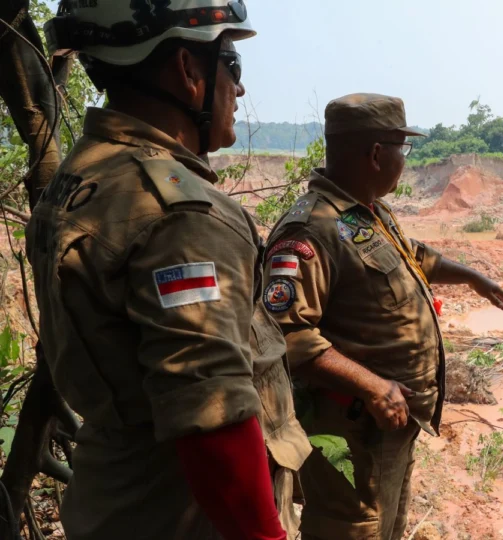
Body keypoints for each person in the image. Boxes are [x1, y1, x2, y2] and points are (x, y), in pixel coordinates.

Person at [29, 1, 311, 539]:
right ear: (188, 70)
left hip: (113, 498)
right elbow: (214, 419)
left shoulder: (84, 174)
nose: (240, 90)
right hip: (179, 512)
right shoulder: (181, 216)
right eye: (233, 64)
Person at [263, 93, 503, 540]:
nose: (406, 159)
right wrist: (374, 385)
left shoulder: (368, 213)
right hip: (349, 432)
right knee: (351, 530)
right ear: (377, 154)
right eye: (404, 148)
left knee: (385, 528)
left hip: (390, 426)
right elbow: (283, 334)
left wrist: (472, 276)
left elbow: (414, 255)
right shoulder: (311, 229)